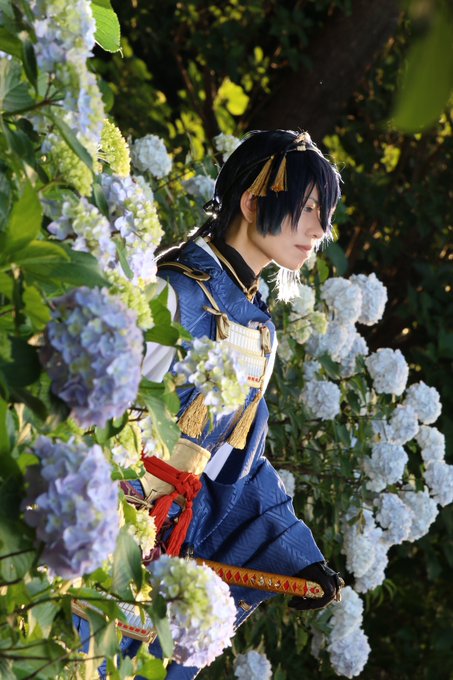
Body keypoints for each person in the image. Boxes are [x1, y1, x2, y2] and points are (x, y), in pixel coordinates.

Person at [75, 129, 343, 678]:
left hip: (165, 546)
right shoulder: (171, 294)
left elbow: (233, 469)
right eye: (308, 208)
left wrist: (295, 554)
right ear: (253, 201)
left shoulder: (260, 333)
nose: (320, 230)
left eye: (325, 214)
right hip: (91, 521)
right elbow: (88, 409)